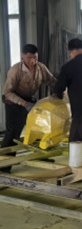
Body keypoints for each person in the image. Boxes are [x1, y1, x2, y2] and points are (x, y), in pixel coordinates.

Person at [1, 44, 57, 172]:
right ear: (22, 56)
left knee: (40, 128)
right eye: (29, 58)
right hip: (13, 102)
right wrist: (24, 104)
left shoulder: (41, 67)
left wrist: (61, 89)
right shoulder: (16, 70)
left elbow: (51, 81)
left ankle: (40, 157)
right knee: (13, 133)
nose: (33, 61)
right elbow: (7, 93)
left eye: (35, 57)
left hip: (29, 99)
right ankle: (4, 165)